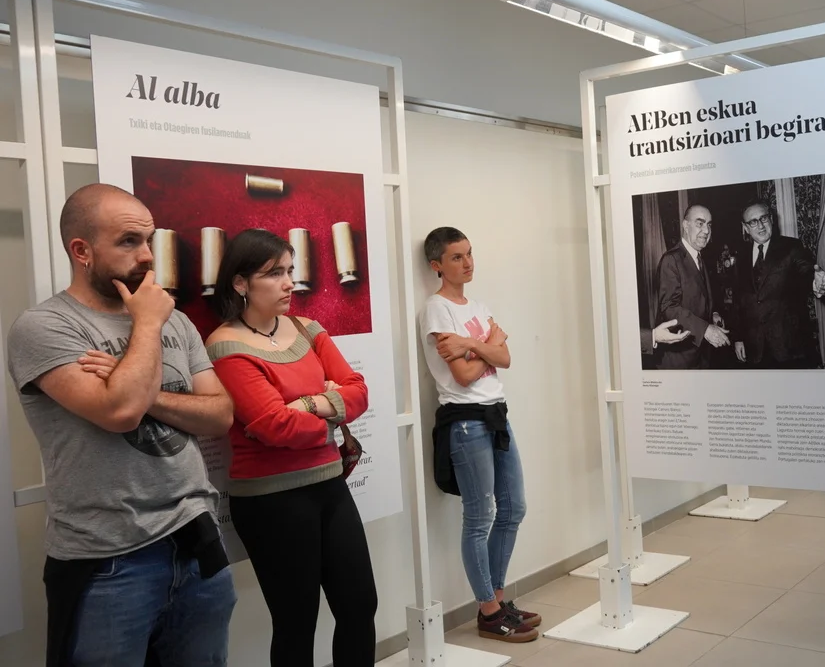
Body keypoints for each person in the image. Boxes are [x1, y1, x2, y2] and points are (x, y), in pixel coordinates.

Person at [5, 183, 236, 665]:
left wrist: (138, 389)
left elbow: (220, 415)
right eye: (129, 241)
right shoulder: (45, 326)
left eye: (149, 240)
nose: (147, 255)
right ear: (81, 251)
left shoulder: (176, 322)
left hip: (196, 540)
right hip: (108, 561)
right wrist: (146, 325)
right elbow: (120, 413)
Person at [205, 229, 377, 666]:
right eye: (274, 274)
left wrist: (307, 405)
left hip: (329, 485)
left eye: (290, 271)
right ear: (240, 283)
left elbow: (358, 392)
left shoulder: (307, 328)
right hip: (271, 499)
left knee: (360, 605)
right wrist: (329, 407)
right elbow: (274, 426)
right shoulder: (226, 344)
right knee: (297, 622)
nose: (289, 284)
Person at [419, 227, 538, 643]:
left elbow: (505, 357)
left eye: (469, 254)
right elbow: (466, 375)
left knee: (514, 508)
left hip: (496, 415)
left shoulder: (477, 306)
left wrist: (472, 343)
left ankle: (498, 600)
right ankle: (488, 612)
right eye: (457, 257)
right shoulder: (436, 310)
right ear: (436, 265)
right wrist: (488, 343)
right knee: (480, 516)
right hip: (466, 421)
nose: (468, 263)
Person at [731, 202, 825, 369]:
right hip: (754, 348)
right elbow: (738, 301)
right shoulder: (740, 256)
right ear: (745, 228)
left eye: (763, 218)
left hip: (789, 347)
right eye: (753, 222)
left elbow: (805, 270)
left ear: (771, 219)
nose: (760, 226)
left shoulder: (791, 247)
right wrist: (738, 338)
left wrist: (815, 282)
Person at [654, 205, 730, 369]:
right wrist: (706, 330)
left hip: (700, 355)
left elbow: (699, 297)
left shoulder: (699, 257)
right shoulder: (671, 260)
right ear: (685, 225)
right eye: (700, 223)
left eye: (709, 225)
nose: (706, 231)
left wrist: (713, 313)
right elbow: (669, 308)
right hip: (679, 358)